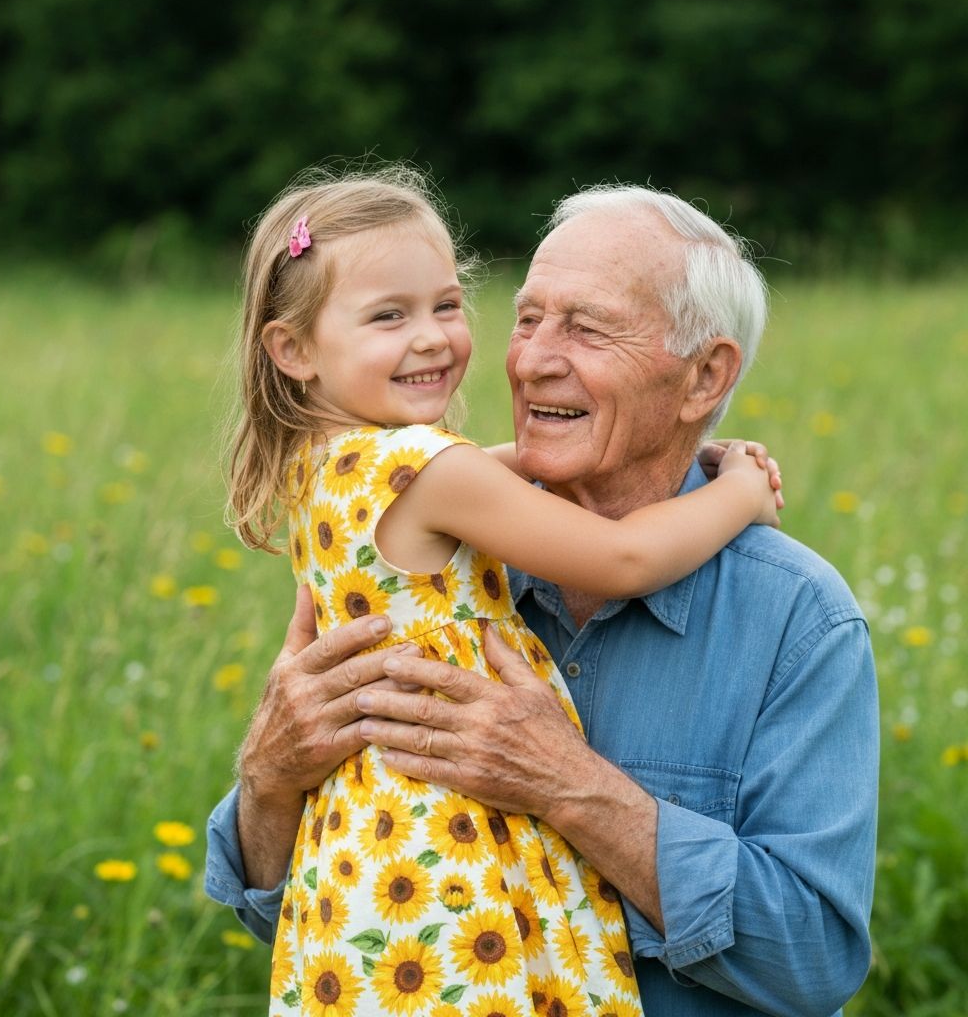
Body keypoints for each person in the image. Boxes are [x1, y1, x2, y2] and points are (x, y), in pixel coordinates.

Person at [212, 166, 783, 1017]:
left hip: (366, 844)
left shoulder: (329, 465)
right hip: (446, 847)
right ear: (292, 350)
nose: (434, 337)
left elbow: (467, 476)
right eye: (387, 316)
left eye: (447, 305)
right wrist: (738, 491)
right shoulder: (421, 469)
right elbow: (624, 560)